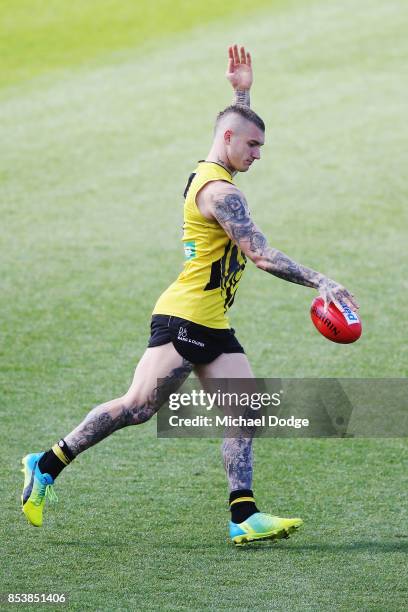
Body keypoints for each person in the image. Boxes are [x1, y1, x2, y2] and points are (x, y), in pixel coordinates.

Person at [21, 45, 359, 545]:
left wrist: (241, 91)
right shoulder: (219, 192)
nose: (259, 154)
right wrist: (322, 282)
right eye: (253, 146)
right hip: (185, 319)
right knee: (137, 408)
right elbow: (260, 254)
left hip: (212, 320)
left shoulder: (219, 169)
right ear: (228, 139)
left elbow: (235, 127)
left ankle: (243, 515)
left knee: (245, 410)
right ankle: (46, 463)